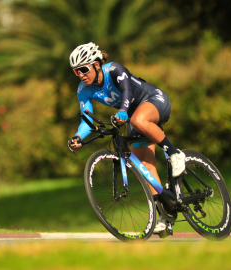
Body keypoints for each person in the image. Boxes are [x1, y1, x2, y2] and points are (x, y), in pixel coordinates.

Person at [67, 42, 186, 233]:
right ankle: (167, 213)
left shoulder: (114, 69)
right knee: (144, 167)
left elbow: (127, 91)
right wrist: (78, 137)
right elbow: (87, 118)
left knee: (138, 120)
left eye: (83, 69)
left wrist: (123, 111)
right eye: (76, 72)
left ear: (96, 64)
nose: (80, 75)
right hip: (132, 116)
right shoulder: (83, 90)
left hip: (154, 100)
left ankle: (175, 154)